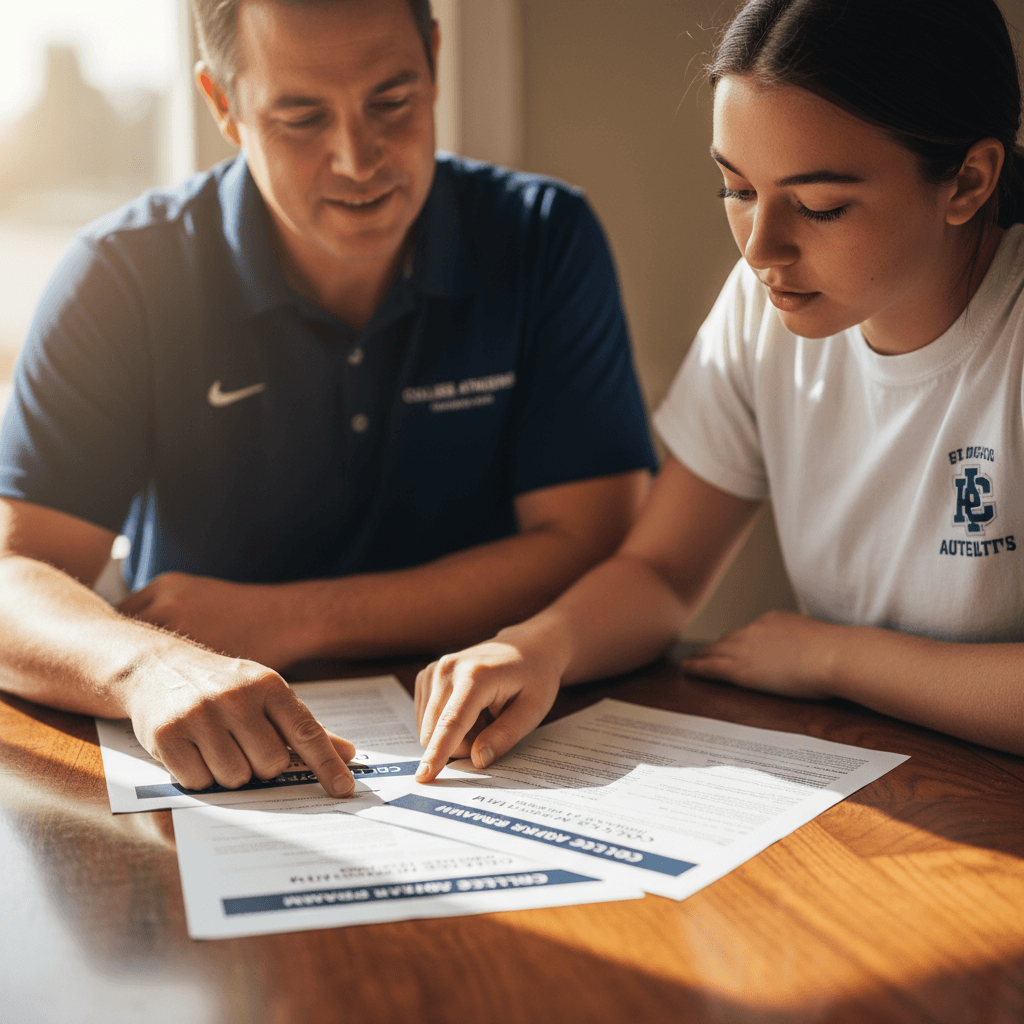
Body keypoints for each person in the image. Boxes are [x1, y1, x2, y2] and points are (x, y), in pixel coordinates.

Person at [0, 0, 654, 798]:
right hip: (215, 770)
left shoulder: (544, 238)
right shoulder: (122, 275)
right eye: (302, 118)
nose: (358, 157)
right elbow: (13, 574)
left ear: (436, 61)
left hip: (492, 753)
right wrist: (149, 665)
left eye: (392, 102)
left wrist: (299, 616)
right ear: (223, 107)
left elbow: (592, 543)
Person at [414, 0, 1024, 780]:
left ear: (968, 181)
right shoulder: (763, 306)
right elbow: (665, 570)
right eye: (736, 190)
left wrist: (835, 658)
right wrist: (537, 645)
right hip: (879, 783)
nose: (763, 249)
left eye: (819, 206)